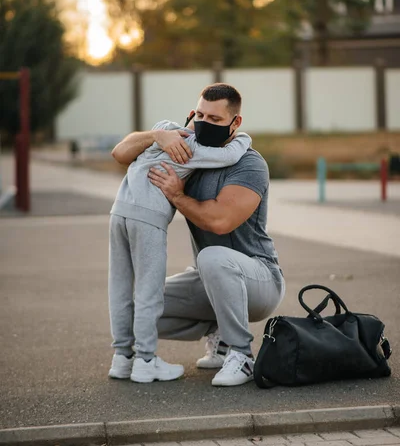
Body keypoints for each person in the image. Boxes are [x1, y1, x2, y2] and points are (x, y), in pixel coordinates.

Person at [112, 83, 285, 387]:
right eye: (200, 115)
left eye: (216, 120)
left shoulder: (249, 163)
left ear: (236, 123)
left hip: (259, 280)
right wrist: (156, 136)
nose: (205, 123)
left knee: (213, 257)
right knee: (144, 303)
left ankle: (241, 355)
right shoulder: (185, 149)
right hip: (210, 278)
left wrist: (177, 196)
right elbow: (121, 151)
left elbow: (220, 222)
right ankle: (216, 333)